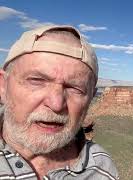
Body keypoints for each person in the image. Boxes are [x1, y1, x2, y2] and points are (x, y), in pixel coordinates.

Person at [0, 25, 119, 180]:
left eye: (75, 88)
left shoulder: (102, 169)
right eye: (37, 80)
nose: (56, 104)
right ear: (3, 86)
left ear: (90, 98)